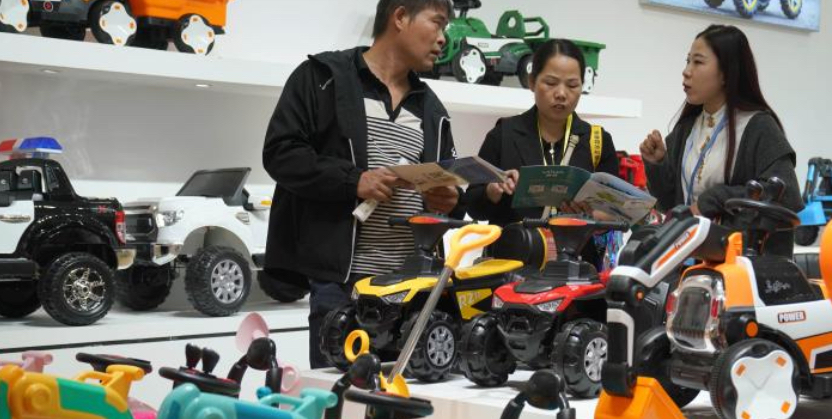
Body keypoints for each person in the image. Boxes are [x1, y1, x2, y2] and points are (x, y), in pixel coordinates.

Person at [263, 0, 464, 368]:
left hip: (411, 288)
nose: (442, 39)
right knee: (337, 407)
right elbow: (281, 153)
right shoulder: (321, 77)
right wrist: (353, 180)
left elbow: (447, 179)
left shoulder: (431, 107)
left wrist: (449, 199)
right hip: (340, 287)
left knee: (401, 408)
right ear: (400, 17)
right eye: (437, 24)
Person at [464, 39, 620, 267]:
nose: (561, 94)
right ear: (531, 82)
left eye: (572, 85)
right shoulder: (504, 134)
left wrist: (592, 215)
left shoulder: (598, 141)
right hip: (511, 269)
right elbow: (472, 204)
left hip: (576, 274)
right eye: (551, 82)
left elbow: (615, 212)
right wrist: (492, 190)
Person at [640, 24, 802, 235]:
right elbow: (669, 204)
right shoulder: (687, 128)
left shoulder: (758, 126)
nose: (686, 71)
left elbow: (786, 198)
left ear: (726, 72)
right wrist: (658, 164)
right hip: (690, 255)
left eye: (698, 62)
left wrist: (714, 200)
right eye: (687, 61)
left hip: (742, 260)